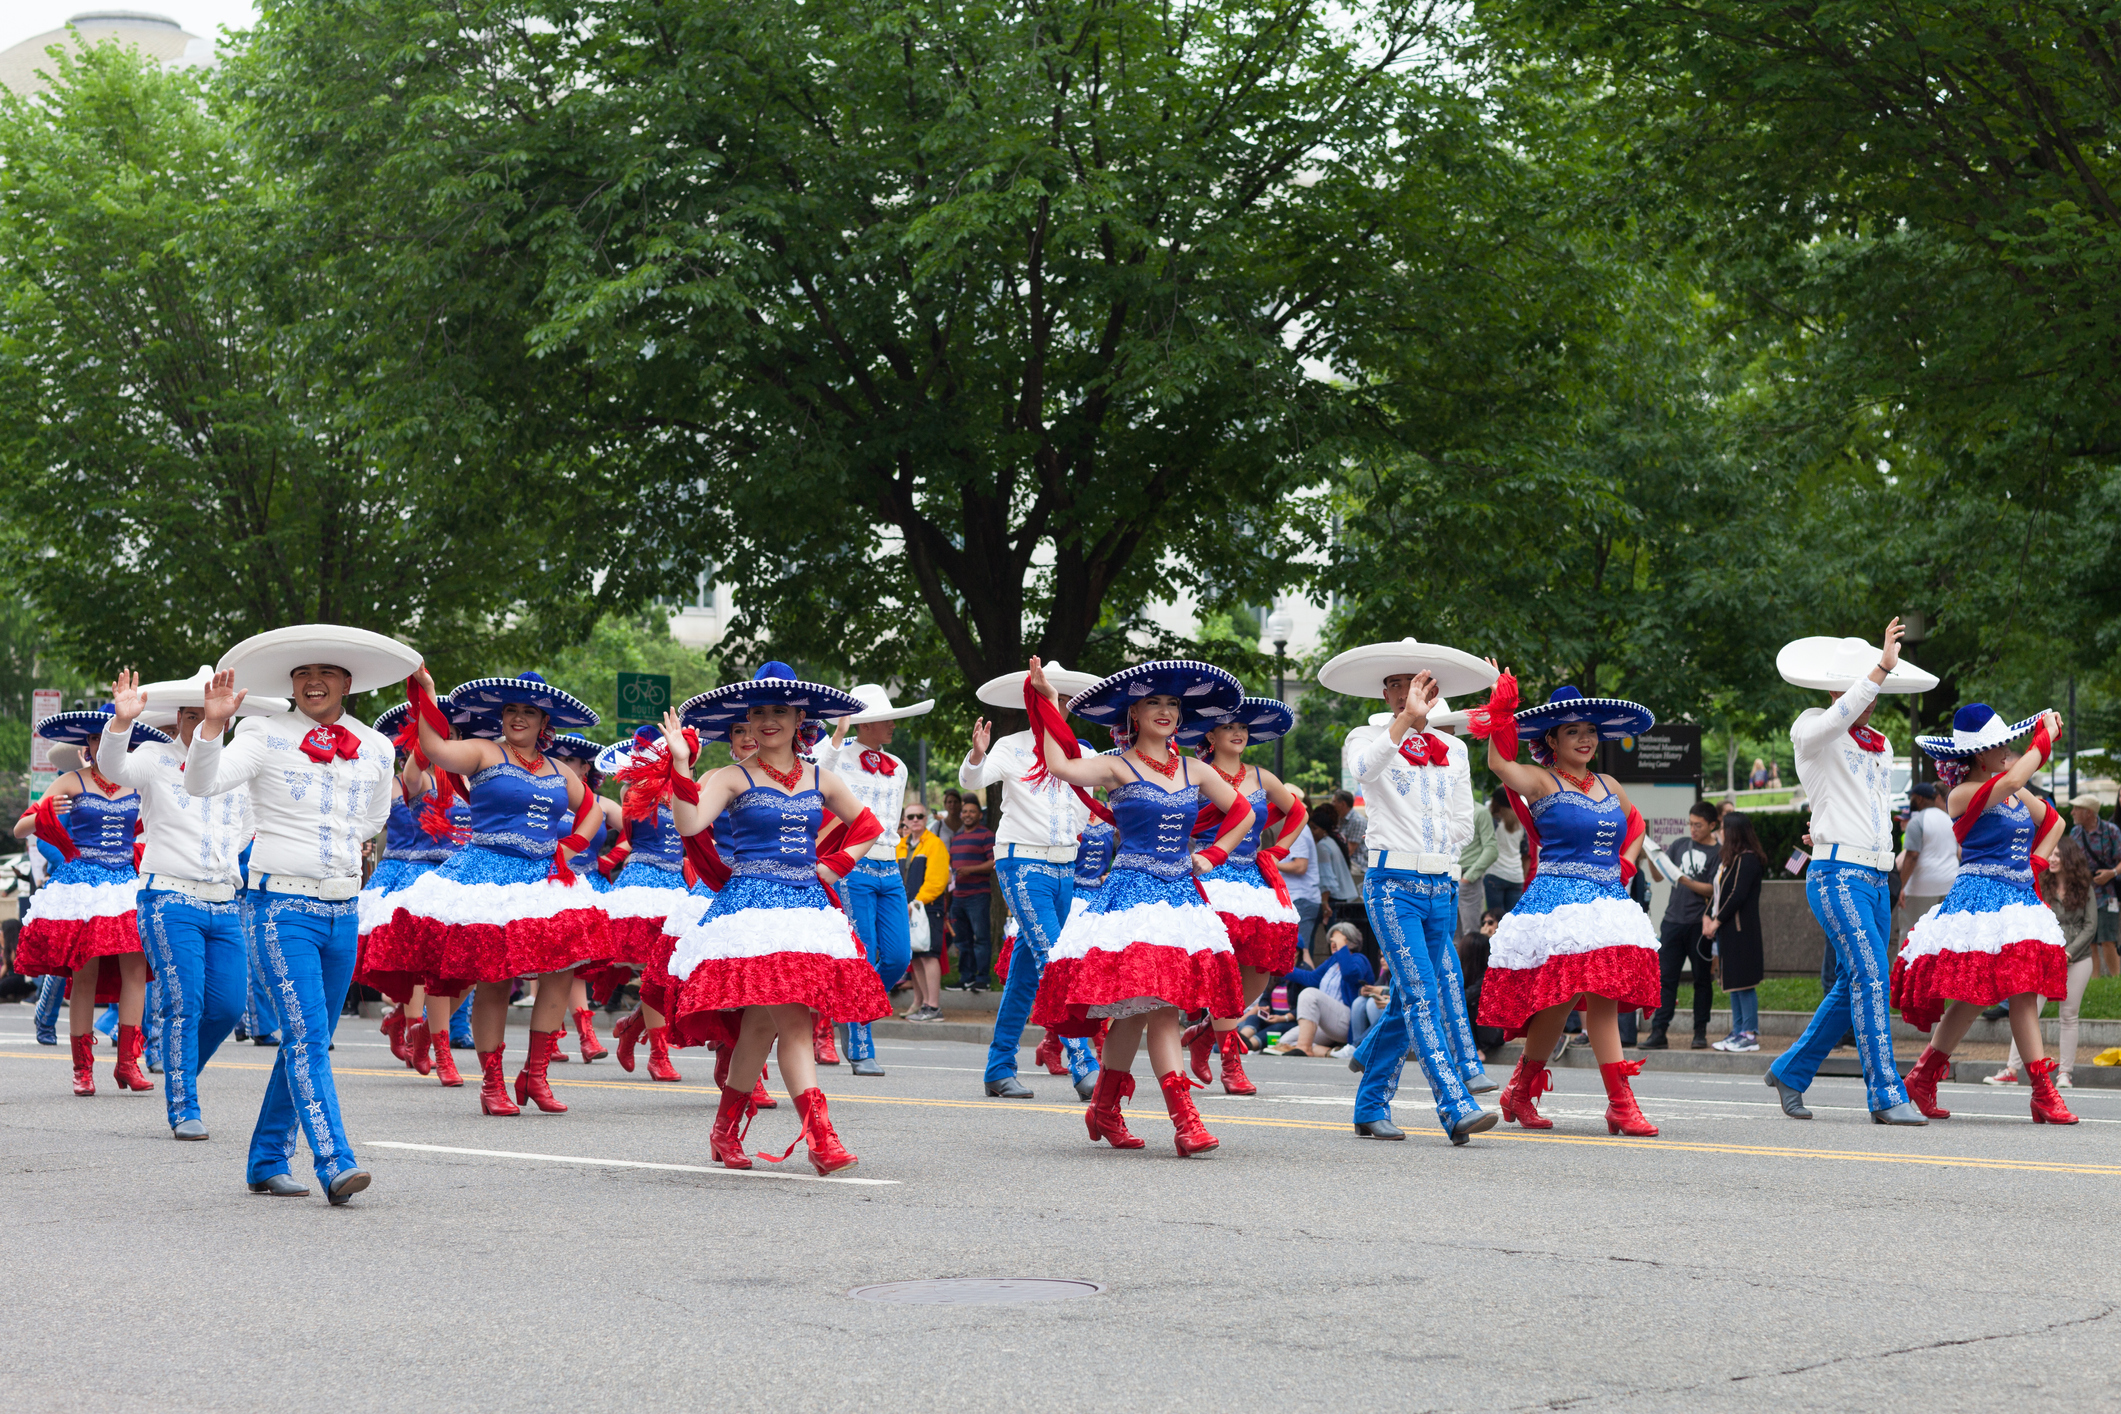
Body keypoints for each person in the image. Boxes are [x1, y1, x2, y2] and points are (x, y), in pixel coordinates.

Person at [188, 625, 415, 1204]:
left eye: (328, 673)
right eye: (303, 675)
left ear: (348, 683)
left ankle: (265, 1159)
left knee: (308, 1036)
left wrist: (344, 852)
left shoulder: (376, 745)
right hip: (281, 905)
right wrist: (213, 724)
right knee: (308, 1034)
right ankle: (335, 1162)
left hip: (343, 907)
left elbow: (371, 818)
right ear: (292, 684)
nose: (314, 683)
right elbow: (203, 782)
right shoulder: (262, 731)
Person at [656, 664, 887, 1175]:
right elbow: (691, 822)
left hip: (805, 907)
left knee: (762, 1028)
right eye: (757, 712)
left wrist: (831, 866)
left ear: (798, 717)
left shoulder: (820, 777)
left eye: (778, 711)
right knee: (795, 1024)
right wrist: (680, 767)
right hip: (752, 912)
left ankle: (722, 1132)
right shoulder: (732, 776)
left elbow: (868, 824)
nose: (766, 721)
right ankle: (821, 1140)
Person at [1022, 657, 1252, 1157]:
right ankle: (1185, 1121)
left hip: (1181, 898)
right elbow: (1060, 766)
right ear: (1135, 712)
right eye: (1154, 702)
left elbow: (1244, 811)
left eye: (1172, 703)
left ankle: (1104, 1108)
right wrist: (1043, 699)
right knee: (1160, 1007)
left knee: (1141, 1010)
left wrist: (1213, 854)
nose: (1166, 710)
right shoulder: (1115, 764)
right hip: (1130, 897)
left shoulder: (1195, 767)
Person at [362, 668, 611, 1117]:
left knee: (560, 970)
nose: (518, 718)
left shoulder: (558, 771)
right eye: (512, 710)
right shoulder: (484, 752)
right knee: (495, 979)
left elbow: (591, 807)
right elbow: (435, 748)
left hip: (544, 879)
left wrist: (570, 848)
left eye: (528, 712)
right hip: (488, 873)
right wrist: (429, 695)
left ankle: (535, 1077)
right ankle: (492, 1083)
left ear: (543, 722)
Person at [1315, 641, 1503, 1145]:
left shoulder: (1455, 749)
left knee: (1409, 1001)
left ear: (1435, 689)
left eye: (1417, 683)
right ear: (1386, 691)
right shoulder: (1366, 735)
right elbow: (1363, 772)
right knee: (1425, 994)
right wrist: (1403, 724)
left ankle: (1370, 1100)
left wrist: (1439, 856)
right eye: (1397, 684)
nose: (1408, 692)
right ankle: (1455, 1104)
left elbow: (1463, 821)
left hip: (1440, 884)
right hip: (1392, 885)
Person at [1467, 674, 1665, 1137]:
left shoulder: (1609, 784)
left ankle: (1544, 1093)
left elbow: (1636, 826)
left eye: (1590, 730)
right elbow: (1499, 762)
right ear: (1551, 738)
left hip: (1607, 904)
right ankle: (1606, 1101)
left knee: (1598, 997)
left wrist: (1627, 865)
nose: (1585, 738)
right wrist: (1500, 714)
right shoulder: (1539, 780)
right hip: (1558, 904)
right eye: (1573, 731)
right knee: (1557, 1005)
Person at [1763, 625, 1934, 1125]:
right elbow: (1836, 720)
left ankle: (1791, 1070)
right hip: (1837, 875)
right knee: (1872, 981)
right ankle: (1886, 1094)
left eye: (1878, 683)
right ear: (1841, 686)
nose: (1874, 695)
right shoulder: (1811, 725)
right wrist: (1880, 668)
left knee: (1857, 981)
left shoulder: (1878, 744)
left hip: (1876, 877)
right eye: (1866, 683)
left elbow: (1870, 811)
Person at [101, 668, 277, 1135]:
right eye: (193, 713)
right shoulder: (155, 757)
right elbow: (114, 768)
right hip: (169, 897)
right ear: (179, 716)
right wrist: (120, 724)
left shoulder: (235, 769)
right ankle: (184, 1107)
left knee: (227, 1007)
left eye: (211, 715)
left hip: (223, 902)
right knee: (185, 1003)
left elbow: (247, 830)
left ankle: (179, 1073)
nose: (202, 721)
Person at [1895, 705, 2075, 1124]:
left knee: (2017, 990)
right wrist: (2042, 740)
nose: (2009, 751)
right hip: (1978, 899)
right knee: (1974, 996)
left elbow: (2055, 823)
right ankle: (2039, 1092)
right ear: (1982, 756)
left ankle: (1926, 1080)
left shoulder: (2013, 790)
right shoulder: (1963, 795)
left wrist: (2036, 865)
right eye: (2002, 747)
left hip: (2016, 899)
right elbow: (2014, 777)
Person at [958, 660, 1103, 1098]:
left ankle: (999, 1067)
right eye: (1041, 694)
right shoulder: (1012, 745)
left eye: (1055, 696)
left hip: (1065, 866)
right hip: (1022, 863)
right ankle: (1084, 1063)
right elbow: (974, 778)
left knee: (1025, 971)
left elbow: (1085, 812)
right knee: (1054, 957)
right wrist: (978, 753)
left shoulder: (1084, 752)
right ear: (1031, 701)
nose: (1049, 702)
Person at [12, 705, 170, 1098]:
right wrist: (47, 811)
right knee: (86, 973)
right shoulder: (71, 781)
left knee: (136, 970)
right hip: (83, 885)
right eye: (98, 738)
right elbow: (20, 828)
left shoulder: (140, 784)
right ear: (89, 744)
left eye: (113, 737)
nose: (105, 744)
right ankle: (82, 1069)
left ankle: (127, 1064)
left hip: (126, 884)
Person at [1179, 697, 1308, 1095]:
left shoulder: (1261, 775)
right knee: (1222, 967)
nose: (1238, 733)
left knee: (1258, 971)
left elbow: (1298, 813)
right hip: (1209, 877)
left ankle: (1205, 1033)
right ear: (1211, 735)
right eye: (1229, 727)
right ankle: (1231, 1065)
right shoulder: (1197, 773)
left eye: (1244, 728)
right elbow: (1178, 822)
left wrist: (1277, 851)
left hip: (1252, 882)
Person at [817, 684, 933, 1077]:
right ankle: (861, 1042)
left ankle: (852, 1009)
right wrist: (837, 733)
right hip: (852, 867)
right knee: (862, 954)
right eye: (887, 720)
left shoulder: (898, 766)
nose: (893, 726)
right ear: (865, 724)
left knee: (899, 956)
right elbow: (814, 773)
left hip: (890, 866)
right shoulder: (838, 757)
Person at [1988, 835, 2097, 1087]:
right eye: (2051, 854)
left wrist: (2069, 952)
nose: (2052, 858)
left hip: (2077, 959)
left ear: (2070, 858)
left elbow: (2090, 927)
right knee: (2027, 1010)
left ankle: (2065, 1074)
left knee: (2069, 1015)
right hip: (2044, 959)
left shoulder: (2084, 888)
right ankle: (2011, 1070)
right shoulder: (2040, 884)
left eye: (2058, 855)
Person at [1644, 800, 1719, 1051]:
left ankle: (1700, 1032)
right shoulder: (1679, 845)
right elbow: (1658, 876)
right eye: (1690, 824)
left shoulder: (1718, 853)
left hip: (1700, 924)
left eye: (1698, 825)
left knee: (1701, 980)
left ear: (1712, 825)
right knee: (1666, 978)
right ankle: (1659, 1031)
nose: (1693, 829)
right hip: (1672, 921)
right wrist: (1648, 855)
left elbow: (1712, 888)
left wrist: (1683, 880)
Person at [1705, 812, 1768, 1051]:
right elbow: (1719, 893)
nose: (1719, 832)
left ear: (1732, 832)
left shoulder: (1748, 860)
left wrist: (1716, 921)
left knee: (1744, 982)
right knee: (1731, 981)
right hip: (1728, 930)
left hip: (1742, 930)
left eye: (1722, 828)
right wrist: (1707, 916)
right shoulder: (1730, 860)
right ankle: (1738, 1030)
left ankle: (1749, 1033)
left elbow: (1736, 896)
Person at [1269, 921, 1374, 1054]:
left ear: (1350, 941)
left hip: (1346, 1021)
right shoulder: (1333, 961)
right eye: (1332, 941)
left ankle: (1304, 1049)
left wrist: (1342, 949)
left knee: (1309, 994)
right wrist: (1278, 966)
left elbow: (1350, 974)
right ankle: (1332, 1053)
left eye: (1338, 940)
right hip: (1326, 1021)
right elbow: (1311, 978)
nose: (1333, 944)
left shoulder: (1359, 959)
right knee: (1285, 1042)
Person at [897, 801, 950, 1021]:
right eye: (911, 817)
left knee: (929, 955)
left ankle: (933, 1006)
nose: (916, 819)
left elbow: (938, 881)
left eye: (920, 815)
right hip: (907, 907)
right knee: (916, 956)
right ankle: (923, 1004)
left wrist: (916, 902)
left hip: (927, 908)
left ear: (926, 818)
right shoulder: (900, 845)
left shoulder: (935, 844)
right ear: (904, 822)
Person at [1897, 780, 1960, 942]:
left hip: (1921, 888)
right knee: (1942, 938)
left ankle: (1907, 968)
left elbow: (1912, 856)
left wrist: (1901, 887)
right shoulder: (1949, 820)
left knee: (1911, 936)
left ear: (1919, 798)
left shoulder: (1916, 822)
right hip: (1949, 884)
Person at [2066, 793, 2119, 977]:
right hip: (2084, 894)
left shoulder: (2110, 830)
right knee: (2090, 941)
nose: (2072, 812)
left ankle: (2115, 978)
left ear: (2088, 813)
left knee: (2108, 939)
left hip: (2107, 893)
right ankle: (2095, 980)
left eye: (2076, 809)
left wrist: (2111, 873)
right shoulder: (2075, 833)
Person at [1457, 786, 1498, 935]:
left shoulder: (1480, 812)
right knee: (1446, 937)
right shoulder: (1446, 811)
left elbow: (1491, 849)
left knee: (1471, 935)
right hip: (1446, 879)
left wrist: (1468, 878)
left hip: (1467, 879)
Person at [1486, 788, 1528, 916]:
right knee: (1512, 919)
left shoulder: (1493, 821)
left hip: (1495, 874)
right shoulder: (1521, 824)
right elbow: (1525, 852)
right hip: (1516, 876)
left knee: (1494, 918)